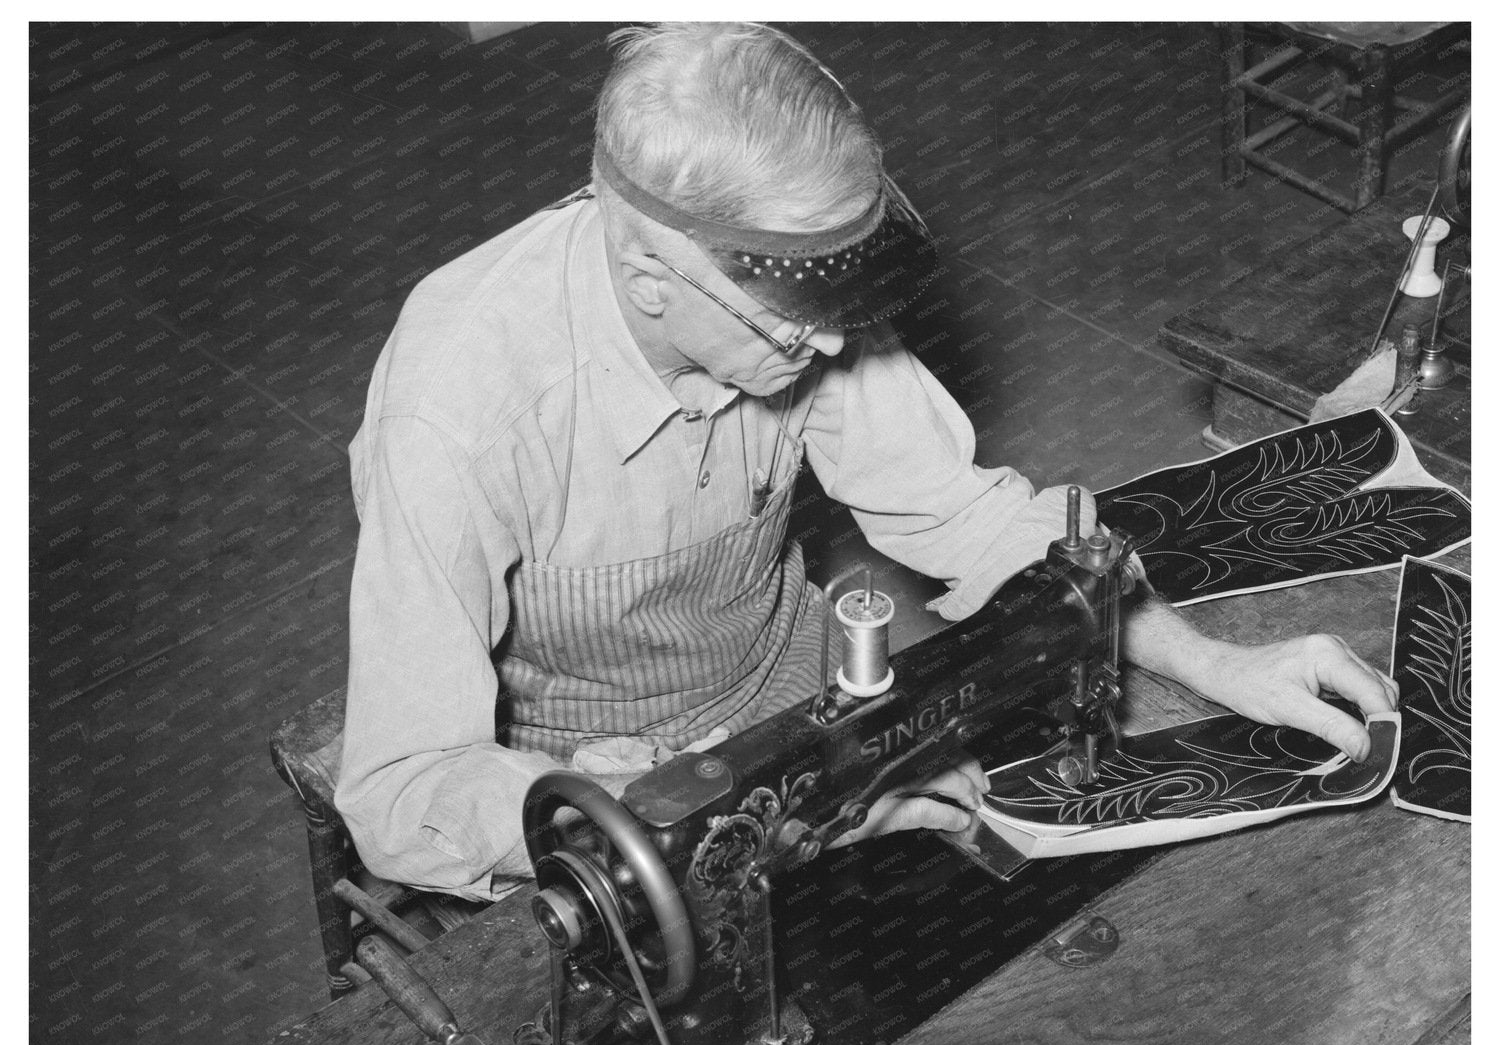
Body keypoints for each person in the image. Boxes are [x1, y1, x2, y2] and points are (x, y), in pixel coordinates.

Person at [335, 23, 1398, 901]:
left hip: (783, 681)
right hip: (591, 769)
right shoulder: (457, 410)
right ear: (650, 275)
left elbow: (968, 517)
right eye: (796, 311)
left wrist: (1214, 663)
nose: (839, 340)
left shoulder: (795, 306)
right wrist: (763, 816)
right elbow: (402, 787)